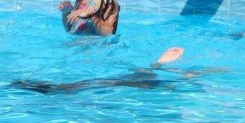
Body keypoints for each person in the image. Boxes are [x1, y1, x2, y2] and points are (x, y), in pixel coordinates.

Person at [11, 47, 186, 94]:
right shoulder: (150, 76)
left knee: (70, 89)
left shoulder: (150, 78)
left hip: (144, 79)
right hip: (143, 78)